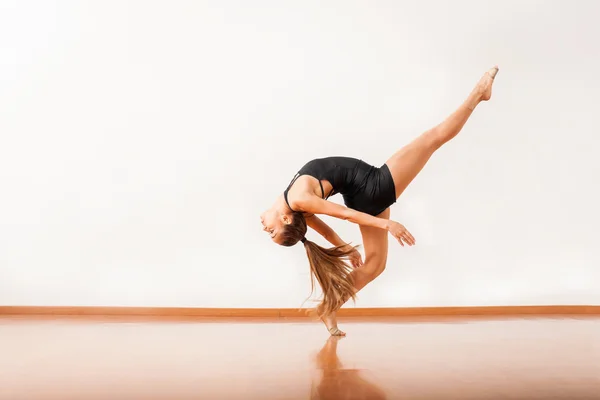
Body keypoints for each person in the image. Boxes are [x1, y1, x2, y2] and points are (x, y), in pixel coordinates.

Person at [260, 66, 500, 336]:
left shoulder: (296, 204)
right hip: (372, 187)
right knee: (433, 138)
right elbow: (343, 215)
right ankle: (479, 93)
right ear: (284, 219)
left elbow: (324, 228)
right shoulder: (299, 199)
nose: (264, 227)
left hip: (364, 193)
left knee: (375, 264)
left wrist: (345, 248)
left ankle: (329, 307)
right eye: (271, 231)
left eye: (268, 232)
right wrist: (387, 226)